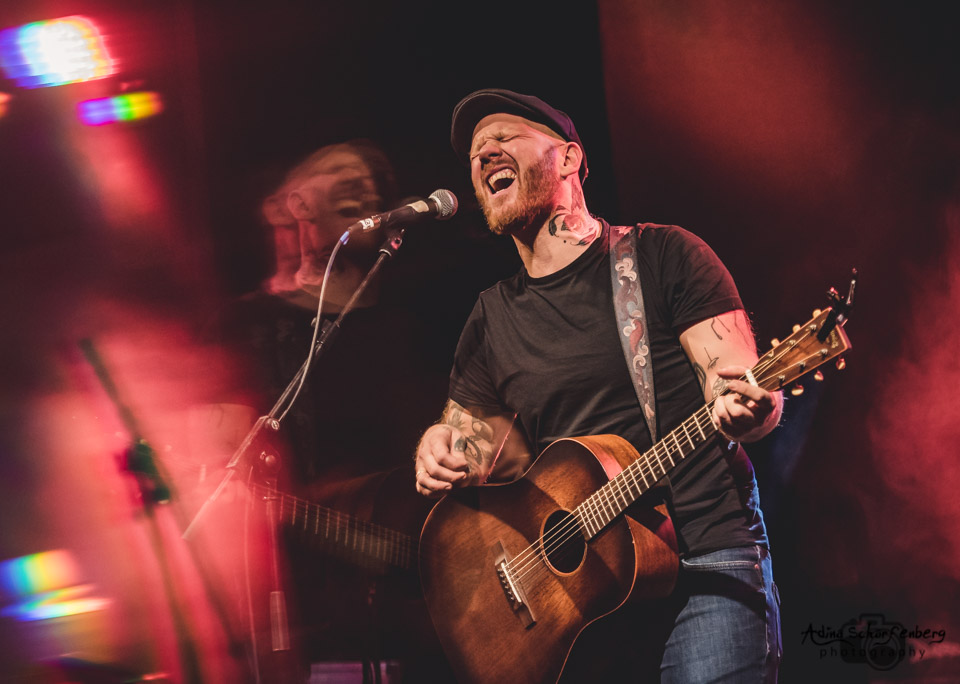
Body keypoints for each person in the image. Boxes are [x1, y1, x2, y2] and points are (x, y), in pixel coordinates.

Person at [413, 89, 784, 682]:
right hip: (585, 605)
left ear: (568, 158)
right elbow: (467, 448)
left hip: (703, 564)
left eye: (504, 138)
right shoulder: (491, 317)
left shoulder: (663, 255)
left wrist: (751, 407)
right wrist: (439, 449)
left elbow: (741, 385)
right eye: (477, 153)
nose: (484, 156)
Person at [196, 139, 446, 681]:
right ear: (291, 205)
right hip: (306, 613)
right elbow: (221, 461)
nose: (364, 181)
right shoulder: (244, 326)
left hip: (425, 608)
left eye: (372, 180)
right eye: (338, 169)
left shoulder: (411, 325)